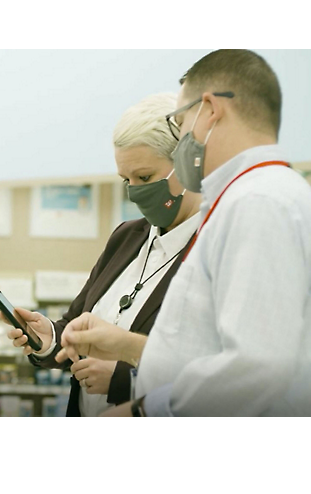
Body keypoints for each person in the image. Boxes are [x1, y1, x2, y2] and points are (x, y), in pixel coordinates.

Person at [57, 49, 311, 416]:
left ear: (209, 110)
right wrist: (126, 344)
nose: (182, 137)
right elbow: (205, 350)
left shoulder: (259, 203)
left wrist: (142, 411)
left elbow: (257, 369)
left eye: (181, 117)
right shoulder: (247, 198)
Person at [2, 93, 202, 416]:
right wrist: (49, 337)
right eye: (126, 179)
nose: (134, 191)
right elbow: (77, 323)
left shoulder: (209, 250)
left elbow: (213, 369)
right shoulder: (126, 238)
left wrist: (123, 379)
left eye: (145, 177)